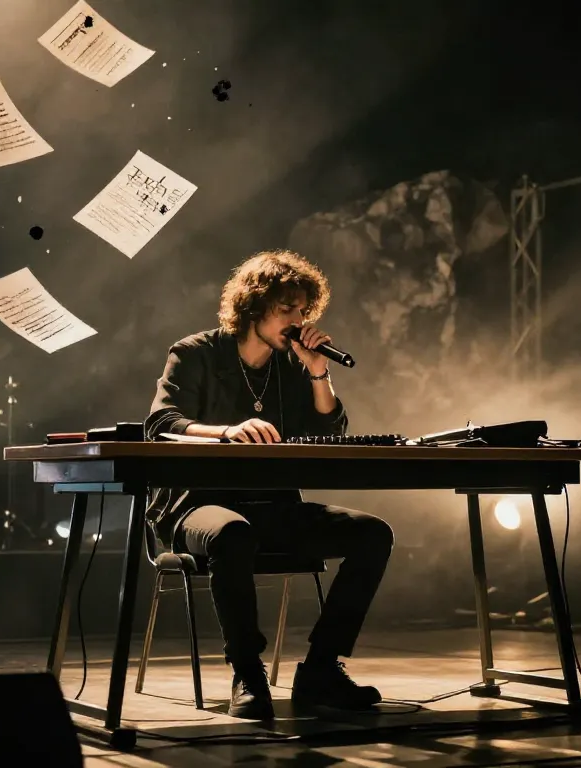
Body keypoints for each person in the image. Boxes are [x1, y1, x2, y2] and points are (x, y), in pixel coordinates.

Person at [144, 249, 395, 720]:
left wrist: (318, 371)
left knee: (372, 533)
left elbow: (328, 434)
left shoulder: (290, 367)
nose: (298, 321)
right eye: (286, 309)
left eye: (303, 310)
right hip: (196, 505)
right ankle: (247, 671)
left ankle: (321, 668)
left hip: (271, 504)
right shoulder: (195, 353)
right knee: (232, 534)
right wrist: (225, 432)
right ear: (253, 307)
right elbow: (160, 423)